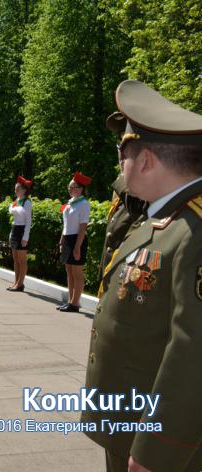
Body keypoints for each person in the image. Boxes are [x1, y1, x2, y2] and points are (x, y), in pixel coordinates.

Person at [81, 80, 202, 472]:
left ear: (147, 161)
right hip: (129, 420)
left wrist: (157, 448)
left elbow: (193, 352)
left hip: (156, 443)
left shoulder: (194, 232)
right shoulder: (164, 220)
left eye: (124, 153)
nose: (121, 164)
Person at [98, 112, 149, 290]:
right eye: (120, 142)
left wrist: (124, 178)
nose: (121, 150)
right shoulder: (122, 182)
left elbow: (141, 212)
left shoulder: (145, 182)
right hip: (113, 269)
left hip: (130, 271)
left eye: (126, 144)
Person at [57, 171, 91, 312]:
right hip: (67, 238)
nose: (70, 189)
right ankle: (70, 301)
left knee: (77, 272)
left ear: (81, 188)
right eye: (69, 187)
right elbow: (65, 224)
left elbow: (83, 227)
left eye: (73, 187)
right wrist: (61, 240)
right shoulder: (70, 203)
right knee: (69, 270)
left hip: (78, 239)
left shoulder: (83, 204)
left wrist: (77, 247)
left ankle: (75, 303)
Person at [7, 176, 32, 292]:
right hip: (15, 229)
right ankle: (16, 281)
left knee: (22, 260)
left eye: (17, 189)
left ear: (24, 190)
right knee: (15, 259)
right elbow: (13, 216)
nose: (15, 191)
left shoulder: (27, 203)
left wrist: (25, 237)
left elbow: (28, 221)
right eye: (15, 189)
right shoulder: (17, 202)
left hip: (22, 231)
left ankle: (20, 283)